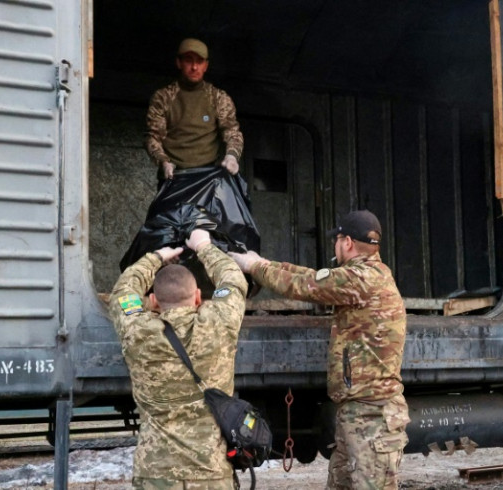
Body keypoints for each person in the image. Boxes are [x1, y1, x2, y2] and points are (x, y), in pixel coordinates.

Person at [229, 210, 410, 489]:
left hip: (372, 416)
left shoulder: (360, 279)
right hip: (358, 414)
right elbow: (313, 276)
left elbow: (305, 285)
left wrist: (254, 267)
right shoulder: (364, 275)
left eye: (337, 240)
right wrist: (263, 262)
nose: (335, 246)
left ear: (347, 242)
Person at [108, 228, 248, 489]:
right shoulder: (218, 324)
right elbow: (233, 280)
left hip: (155, 475)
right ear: (198, 298)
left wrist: (157, 257)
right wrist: (203, 246)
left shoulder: (138, 331)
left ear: (153, 302)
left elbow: (123, 291)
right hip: (211, 474)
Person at [144, 38, 244, 189]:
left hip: (208, 179)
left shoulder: (218, 98)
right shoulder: (163, 97)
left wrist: (232, 156)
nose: (194, 67)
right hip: (173, 178)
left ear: (206, 66)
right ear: (179, 63)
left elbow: (232, 132)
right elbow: (152, 137)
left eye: (200, 61)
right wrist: (163, 162)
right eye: (189, 61)